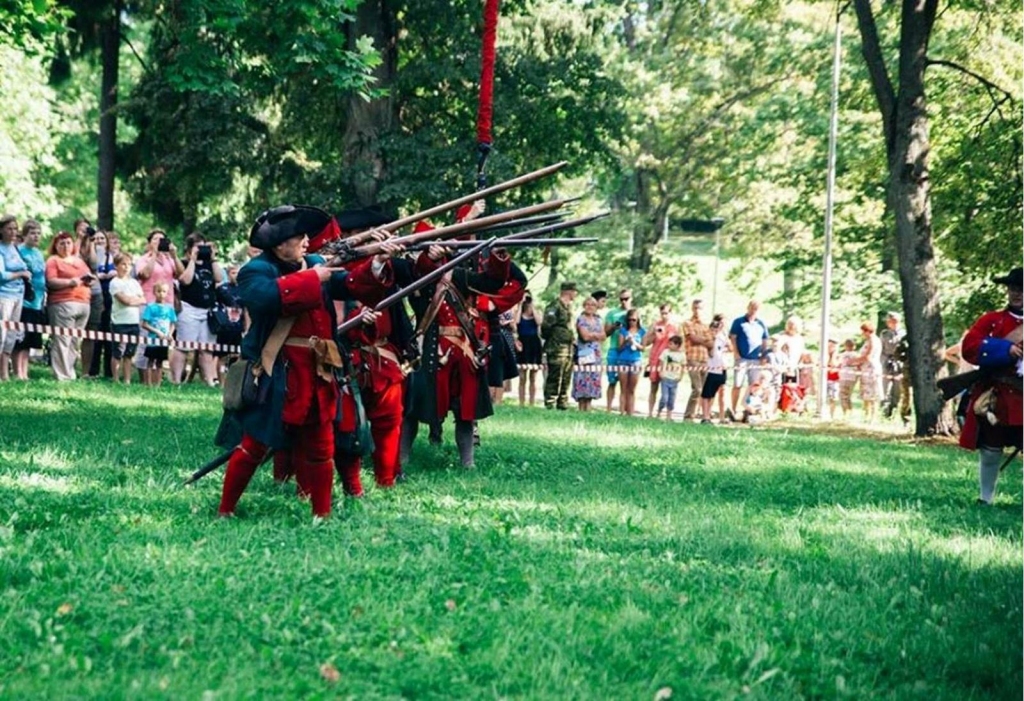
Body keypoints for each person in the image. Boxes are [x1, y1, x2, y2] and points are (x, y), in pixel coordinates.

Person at [216, 205, 396, 518]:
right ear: (278, 245)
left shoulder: (312, 262)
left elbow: (352, 284)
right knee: (255, 445)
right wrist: (313, 277)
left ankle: (321, 515)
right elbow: (265, 299)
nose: (305, 240)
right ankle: (225, 510)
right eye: (298, 236)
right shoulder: (255, 271)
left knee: (322, 446)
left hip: (317, 371)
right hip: (278, 371)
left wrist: (378, 262)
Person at [958, 266, 1023, 505]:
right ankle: (986, 498)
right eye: (1013, 288)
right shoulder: (992, 320)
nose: (1017, 293)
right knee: (991, 447)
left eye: (1022, 289)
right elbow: (970, 347)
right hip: (999, 396)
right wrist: (1006, 350)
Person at [171, 233, 224, 385]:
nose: (201, 249)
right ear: (189, 249)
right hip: (189, 309)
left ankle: (209, 381)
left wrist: (213, 258)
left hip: (207, 310)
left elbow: (219, 278)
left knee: (206, 349)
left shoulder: (209, 264)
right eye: (198, 246)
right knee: (183, 346)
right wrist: (193, 260)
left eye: (204, 246)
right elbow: (186, 280)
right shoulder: (183, 262)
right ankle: (176, 380)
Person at [134, 229, 184, 380]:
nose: (159, 242)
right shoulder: (143, 259)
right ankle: (144, 378)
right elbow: (144, 274)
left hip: (167, 304)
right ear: (149, 243)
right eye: (155, 239)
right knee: (146, 341)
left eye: (162, 240)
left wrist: (174, 256)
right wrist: (154, 254)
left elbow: (180, 274)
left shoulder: (169, 259)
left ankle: (157, 378)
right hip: (148, 303)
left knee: (162, 343)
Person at [45, 231, 93, 380]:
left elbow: (90, 275)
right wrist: (69, 282)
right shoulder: (53, 260)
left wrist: (90, 279)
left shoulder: (79, 261)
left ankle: (70, 373)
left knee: (74, 341)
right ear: (56, 246)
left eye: (68, 242)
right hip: (62, 303)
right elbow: (50, 280)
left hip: (83, 303)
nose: (66, 246)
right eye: (62, 243)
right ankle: (61, 375)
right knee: (62, 340)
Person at [13, 220, 46, 380]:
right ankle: (17, 372)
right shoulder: (19, 251)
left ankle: (25, 372)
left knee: (30, 340)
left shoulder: (39, 253)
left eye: (38, 233)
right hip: (23, 300)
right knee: (20, 339)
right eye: (32, 233)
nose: (36, 236)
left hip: (37, 302)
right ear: (25, 235)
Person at [80, 228, 116, 378]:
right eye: (97, 238)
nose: (99, 241)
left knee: (108, 334)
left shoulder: (111, 257)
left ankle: (108, 371)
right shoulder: (86, 254)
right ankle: (91, 370)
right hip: (91, 294)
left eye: (102, 238)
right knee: (92, 334)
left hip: (107, 297)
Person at [108, 253, 147, 384]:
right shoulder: (114, 283)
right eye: (123, 264)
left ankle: (127, 379)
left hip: (133, 322)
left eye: (129, 264)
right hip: (119, 322)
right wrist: (133, 300)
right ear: (116, 266)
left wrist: (132, 300)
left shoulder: (134, 282)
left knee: (129, 353)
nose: (126, 267)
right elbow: (125, 301)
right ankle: (115, 378)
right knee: (117, 352)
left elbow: (143, 299)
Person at [0, 215, 30, 381]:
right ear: (1, 230)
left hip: (18, 295)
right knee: (1, 334)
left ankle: (5, 373)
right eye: (9, 228)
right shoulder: (1, 249)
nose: (13, 232)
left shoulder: (14, 248)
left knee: (11, 335)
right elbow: (1, 275)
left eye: (15, 228)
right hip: (4, 296)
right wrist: (21, 274)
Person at [728, 300, 769, 421]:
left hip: (755, 359)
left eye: (756, 309)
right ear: (748, 307)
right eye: (752, 308)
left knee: (754, 386)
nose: (753, 311)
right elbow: (733, 338)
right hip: (742, 358)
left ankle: (749, 410)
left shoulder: (761, 324)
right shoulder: (739, 322)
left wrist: (763, 355)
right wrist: (736, 353)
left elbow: (765, 340)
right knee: (737, 384)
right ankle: (733, 409)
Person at [542, 281, 578, 410]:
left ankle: (562, 403)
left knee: (566, 377)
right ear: (568, 291)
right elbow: (546, 326)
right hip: (556, 348)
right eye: (574, 291)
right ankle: (550, 402)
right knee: (555, 377)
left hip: (568, 349)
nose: (575, 294)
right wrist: (553, 339)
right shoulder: (555, 306)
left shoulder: (569, 308)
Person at [643, 302, 679, 418]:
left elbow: (679, 344)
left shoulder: (675, 327)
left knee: (668, 387)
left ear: (671, 313)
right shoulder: (656, 325)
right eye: (662, 313)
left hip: (668, 360)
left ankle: (665, 413)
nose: (664, 315)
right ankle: (650, 412)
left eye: (666, 313)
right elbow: (646, 342)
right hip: (655, 357)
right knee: (654, 386)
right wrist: (652, 332)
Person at [140, 282, 177, 386]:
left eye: (164, 291)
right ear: (154, 292)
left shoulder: (169, 308)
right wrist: (157, 332)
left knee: (160, 363)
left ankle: (158, 384)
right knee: (150, 361)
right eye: (159, 291)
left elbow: (173, 323)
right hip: (152, 340)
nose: (161, 294)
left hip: (164, 341)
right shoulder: (150, 307)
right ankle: (148, 383)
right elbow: (144, 324)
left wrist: (170, 334)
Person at [572, 296, 605, 412]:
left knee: (592, 379)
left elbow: (603, 336)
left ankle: (589, 408)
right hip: (584, 353)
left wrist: (592, 335)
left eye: (593, 305)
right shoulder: (581, 319)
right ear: (584, 306)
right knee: (582, 378)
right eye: (588, 304)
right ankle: (581, 408)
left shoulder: (599, 320)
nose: (590, 307)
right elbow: (584, 336)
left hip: (595, 354)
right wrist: (595, 335)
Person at [681, 298, 712, 420]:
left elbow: (711, 343)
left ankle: (703, 415)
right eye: (695, 308)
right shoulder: (687, 323)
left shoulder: (706, 325)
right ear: (692, 308)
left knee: (704, 390)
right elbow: (692, 339)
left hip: (704, 359)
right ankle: (688, 415)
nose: (697, 310)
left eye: (700, 308)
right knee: (697, 388)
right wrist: (704, 340)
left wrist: (702, 340)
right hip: (692, 358)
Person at [603, 288, 632, 412]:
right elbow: (605, 332)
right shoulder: (612, 313)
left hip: (629, 351)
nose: (624, 301)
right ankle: (609, 408)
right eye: (621, 299)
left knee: (627, 384)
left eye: (626, 299)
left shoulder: (634, 314)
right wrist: (614, 326)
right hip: (614, 349)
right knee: (612, 381)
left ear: (631, 298)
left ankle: (624, 409)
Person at [700, 314, 729, 424]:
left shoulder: (722, 338)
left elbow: (729, 347)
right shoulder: (709, 340)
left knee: (713, 394)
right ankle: (705, 416)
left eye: (716, 329)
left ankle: (713, 416)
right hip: (711, 370)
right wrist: (712, 339)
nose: (715, 331)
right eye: (713, 329)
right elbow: (711, 353)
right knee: (706, 395)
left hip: (721, 369)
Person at [515, 293, 543, 407]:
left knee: (533, 376)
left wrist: (533, 305)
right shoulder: (519, 313)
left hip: (534, 344)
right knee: (522, 376)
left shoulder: (537, 312)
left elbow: (539, 322)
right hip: (523, 343)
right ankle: (521, 402)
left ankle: (531, 402)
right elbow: (516, 322)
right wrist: (520, 303)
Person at [616, 309, 646, 416]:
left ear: (638, 320)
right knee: (623, 388)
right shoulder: (623, 330)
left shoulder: (642, 331)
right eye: (629, 320)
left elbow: (643, 348)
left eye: (634, 320)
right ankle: (621, 412)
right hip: (623, 360)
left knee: (632, 389)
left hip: (635, 361)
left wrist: (634, 343)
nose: (631, 322)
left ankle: (630, 412)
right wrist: (626, 341)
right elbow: (619, 348)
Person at [879, 311, 906, 418]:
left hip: (900, 363)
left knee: (897, 389)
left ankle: (894, 410)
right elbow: (881, 349)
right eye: (889, 321)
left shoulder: (904, 333)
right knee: (885, 387)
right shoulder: (884, 334)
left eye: (893, 321)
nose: (890, 323)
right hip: (887, 361)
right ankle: (884, 410)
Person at [856, 321, 883, 421]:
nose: (862, 334)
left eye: (863, 332)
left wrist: (853, 361)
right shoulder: (868, 341)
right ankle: (866, 415)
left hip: (871, 369)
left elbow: (868, 356)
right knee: (866, 394)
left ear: (867, 331)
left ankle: (873, 417)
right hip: (865, 369)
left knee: (872, 394)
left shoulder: (873, 341)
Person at [657, 335, 685, 420]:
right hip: (666, 378)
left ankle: (669, 415)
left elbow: (683, 366)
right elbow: (661, 362)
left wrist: (681, 376)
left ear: (677, 345)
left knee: (672, 398)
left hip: (674, 379)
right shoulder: (666, 352)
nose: (669, 345)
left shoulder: (682, 355)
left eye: (672, 344)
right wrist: (661, 371)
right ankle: (659, 410)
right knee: (664, 397)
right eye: (669, 343)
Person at [837, 338, 860, 417]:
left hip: (845, 376)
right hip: (852, 377)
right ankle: (849, 411)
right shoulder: (857, 355)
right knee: (848, 395)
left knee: (843, 395)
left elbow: (839, 364)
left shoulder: (843, 355)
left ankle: (846, 412)